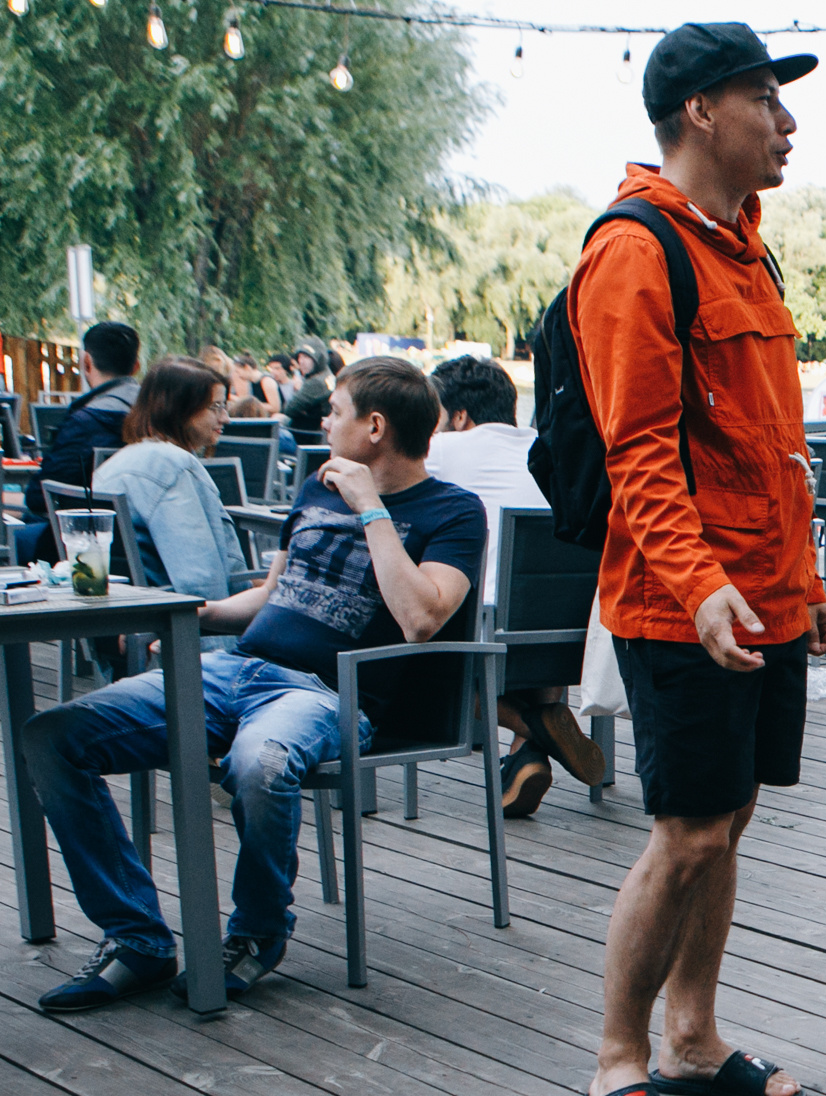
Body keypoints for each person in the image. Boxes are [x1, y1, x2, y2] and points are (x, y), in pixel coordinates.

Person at [570, 20, 826, 1096]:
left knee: (729, 817)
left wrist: (808, 582)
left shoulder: (743, 247)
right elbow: (638, 453)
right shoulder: (636, 250)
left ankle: (693, 1033)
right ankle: (617, 1060)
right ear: (700, 113)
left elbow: (775, 446)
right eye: (765, 100)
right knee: (684, 831)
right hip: (686, 599)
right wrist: (700, 587)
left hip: (765, 595)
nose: (786, 123)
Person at [23, 357, 483, 1011]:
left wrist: (371, 507)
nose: (322, 419)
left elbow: (421, 617)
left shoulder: (454, 512)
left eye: (336, 409)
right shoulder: (314, 488)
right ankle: (138, 939)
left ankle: (256, 934)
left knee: (260, 763)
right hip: (234, 669)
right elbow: (273, 595)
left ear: (374, 426)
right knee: (54, 734)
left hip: (325, 694)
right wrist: (196, 615)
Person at [424, 353, 606, 816]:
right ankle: (525, 759)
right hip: (574, 641)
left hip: (491, 640)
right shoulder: (553, 452)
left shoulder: (442, 451)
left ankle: (537, 723)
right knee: (525, 622)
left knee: (424, 658)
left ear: (458, 416)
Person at [89, 356, 246, 601]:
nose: (225, 417)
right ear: (179, 408)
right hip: (181, 626)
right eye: (216, 406)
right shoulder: (174, 468)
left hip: (130, 613)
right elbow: (201, 582)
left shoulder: (113, 465)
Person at [14, 320, 142, 564]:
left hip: (83, 549)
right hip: (144, 542)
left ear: (85, 362)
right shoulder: (158, 415)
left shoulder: (86, 421)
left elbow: (38, 498)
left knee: (18, 533)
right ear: (136, 367)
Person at [282, 340, 334, 431]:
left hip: (310, 436)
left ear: (318, 359)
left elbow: (289, 409)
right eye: (299, 357)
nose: (301, 361)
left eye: (306, 357)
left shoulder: (316, 382)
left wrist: (297, 390)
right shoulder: (327, 375)